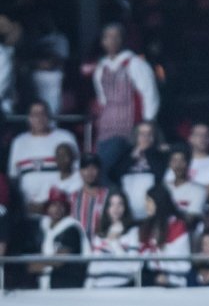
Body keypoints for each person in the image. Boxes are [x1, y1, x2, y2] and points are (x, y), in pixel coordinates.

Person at [91, 23, 160, 174]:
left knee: (103, 168)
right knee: (101, 166)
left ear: (123, 39)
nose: (112, 41)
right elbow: (102, 99)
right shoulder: (101, 67)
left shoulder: (135, 64)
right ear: (102, 41)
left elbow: (150, 94)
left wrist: (148, 122)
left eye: (116, 37)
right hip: (106, 126)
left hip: (128, 126)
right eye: (108, 37)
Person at [8, 99, 78, 216]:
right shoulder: (19, 142)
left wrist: (54, 204)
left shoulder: (65, 137)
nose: (39, 118)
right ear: (29, 118)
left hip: (60, 209)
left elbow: (75, 174)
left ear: (49, 116)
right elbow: (13, 178)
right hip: (29, 210)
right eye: (35, 114)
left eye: (43, 113)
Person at [28, 187, 87, 289]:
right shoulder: (43, 226)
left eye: (61, 205)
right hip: (46, 282)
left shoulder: (72, 228)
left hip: (67, 284)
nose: (57, 209)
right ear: (47, 207)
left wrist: (38, 264)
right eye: (54, 204)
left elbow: (59, 260)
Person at [138, 185, 192, 288]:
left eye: (149, 201)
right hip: (152, 279)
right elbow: (142, 256)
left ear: (159, 202)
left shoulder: (177, 226)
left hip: (175, 282)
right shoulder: (148, 226)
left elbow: (182, 264)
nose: (146, 205)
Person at [112, 121, 166, 220]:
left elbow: (161, 174)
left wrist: (148, 152)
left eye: (149, 134)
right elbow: (114, 175)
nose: (145, 137)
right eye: (142, 134)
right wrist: (132, 157)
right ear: (136, 136)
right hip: (128, 209)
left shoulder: (160, 155)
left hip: (151, 208)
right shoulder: (127, 153)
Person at [87, 190, 141, 288]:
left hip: (123, 285)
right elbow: (93, 266)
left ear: (125, 207)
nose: (116, 208)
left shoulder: (133, 233)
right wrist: (87, 287)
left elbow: (134, 267)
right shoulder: (100, 235)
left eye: (120, 204)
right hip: (99, 287)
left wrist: (114, 243)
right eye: (112, 204)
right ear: (107, 208)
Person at [70, 153, 109, 244]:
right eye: (86, 168)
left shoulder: (108, 196)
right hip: (78, 246)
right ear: (80, 171)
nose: (90, 172)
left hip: (101, 246)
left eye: (93, 168)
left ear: (99, 170)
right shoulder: (73, 197)